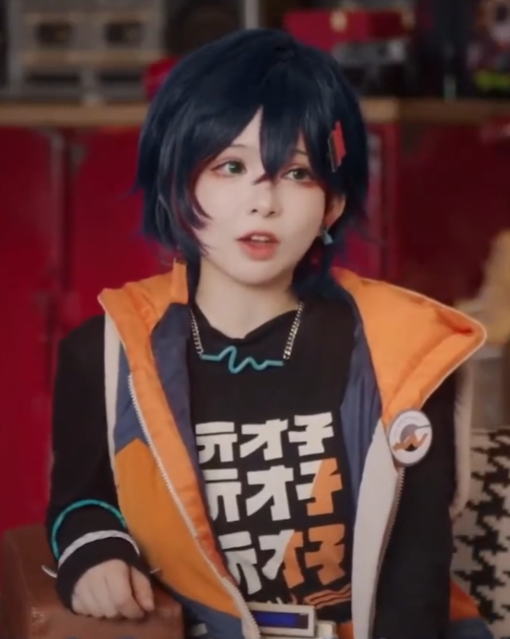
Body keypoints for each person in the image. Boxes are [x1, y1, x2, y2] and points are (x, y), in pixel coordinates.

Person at [46, 27, 492, 639]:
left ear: (332, 204)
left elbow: (414, 576)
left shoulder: (408, 348)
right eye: (231, 166)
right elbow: (81, 501)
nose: (264, 202)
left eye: (298, 173)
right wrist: (96, 552)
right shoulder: (106, 352)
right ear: (177, 185)